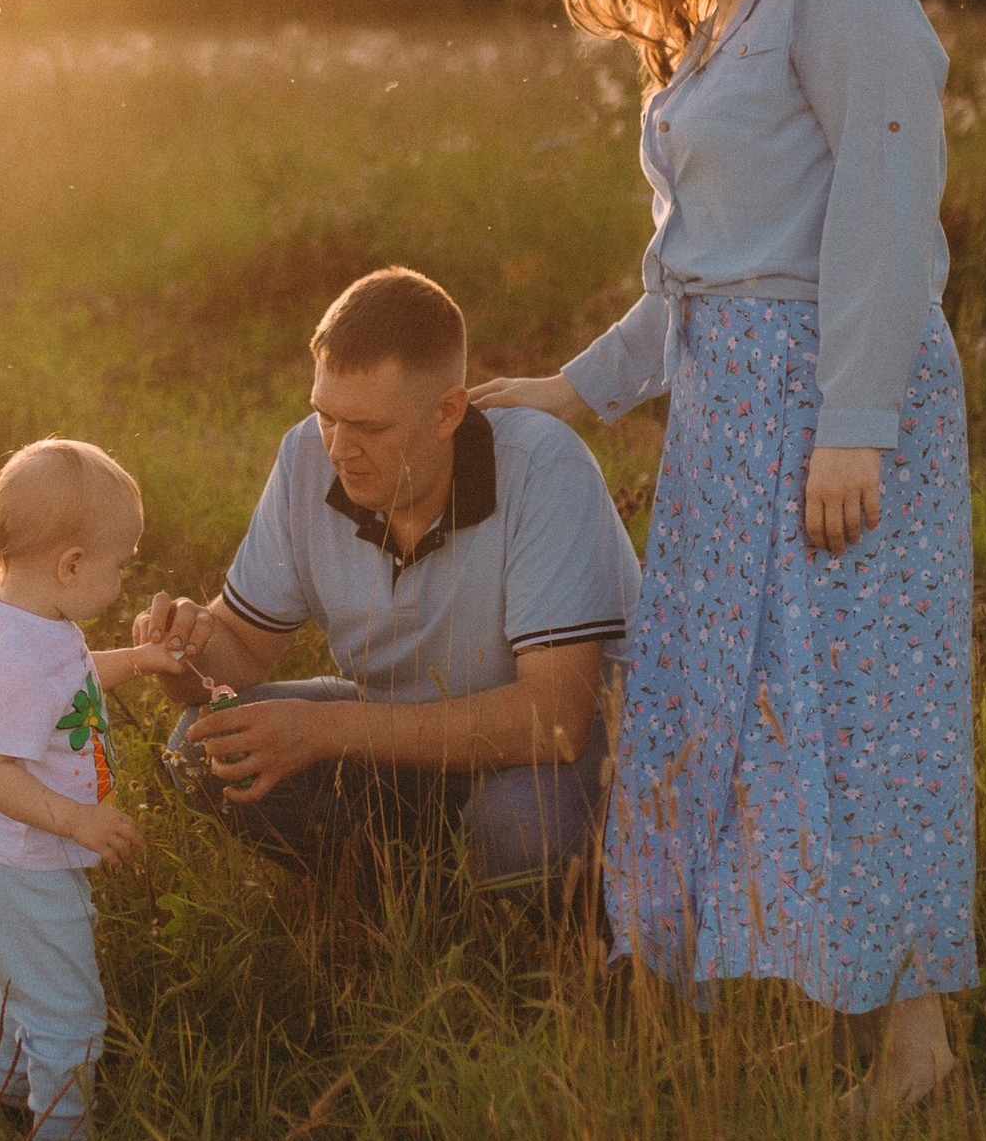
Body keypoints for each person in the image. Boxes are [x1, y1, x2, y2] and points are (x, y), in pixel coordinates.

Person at [473, 0, 974, 1111]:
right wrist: (576, 390)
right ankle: (689, 991)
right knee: (710, 701)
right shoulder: (714, 20)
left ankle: (916, 1046)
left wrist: (855, 428)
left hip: (835, 402)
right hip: (726, 416)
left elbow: (885, 204)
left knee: (862, 708)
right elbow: (696, 272)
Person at [133, 265, 640, 897]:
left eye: (369, 427)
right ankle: (400, 901)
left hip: (566, 755)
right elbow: (240, 649)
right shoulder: (307, 458)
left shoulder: (543, 466)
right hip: (401, 732)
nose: (339, 448)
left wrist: (326, 731)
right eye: (326, 415)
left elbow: (555, 721)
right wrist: (179, 647)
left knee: (520, 829)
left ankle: (531, 929)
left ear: (447, 412)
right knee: (204, 745)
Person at [0, 438, 191, 1141]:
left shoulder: (35, 622)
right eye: (122, 567)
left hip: (5, 866)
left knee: (26, 993)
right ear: (72, 565)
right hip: (24, 872)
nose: (123, 582)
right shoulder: (20, 656)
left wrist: (139, 661)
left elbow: (74, 678)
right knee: (70, 1016)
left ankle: (9, 1099)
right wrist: (75, 818)